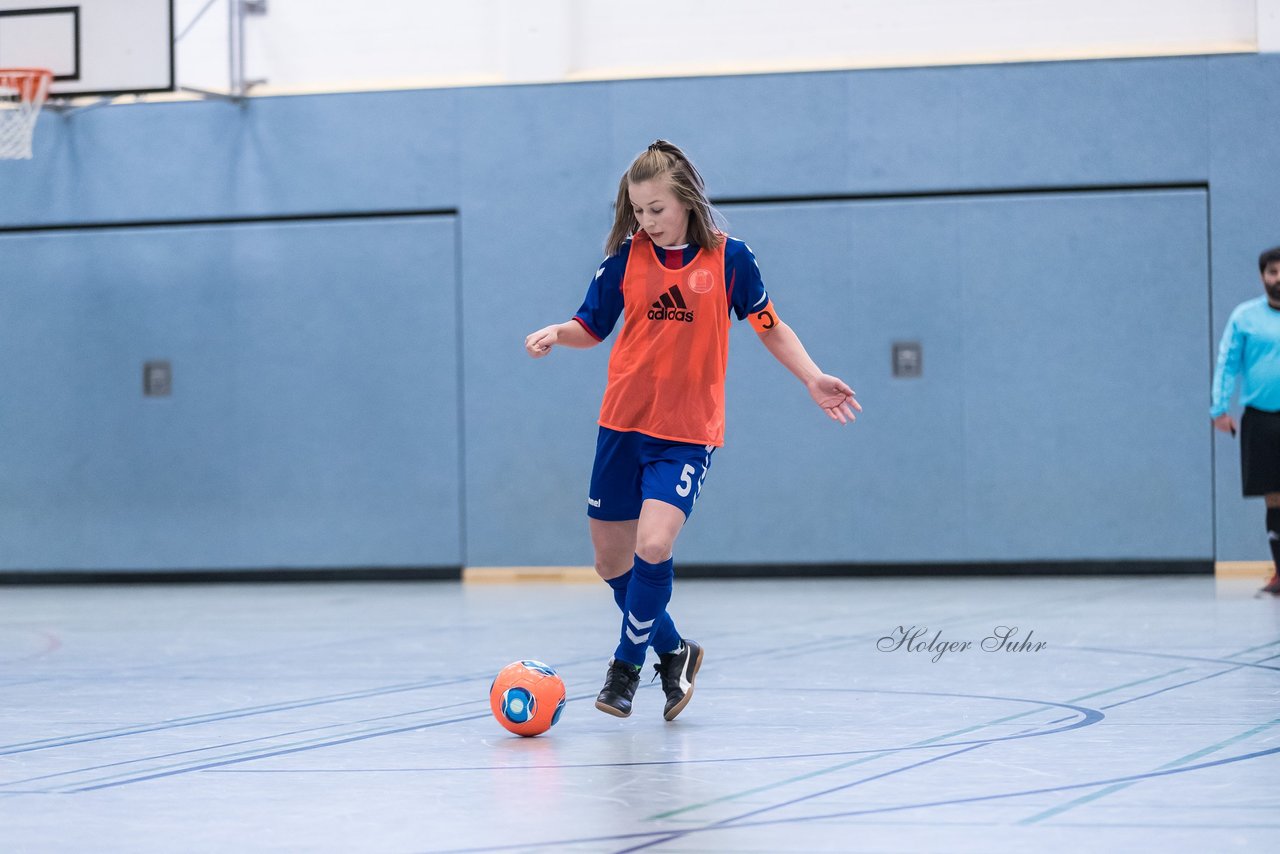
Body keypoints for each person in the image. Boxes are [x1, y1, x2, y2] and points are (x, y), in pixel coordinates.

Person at [524, 140, 861, 720]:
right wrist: (559, 330)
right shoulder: (624, 261)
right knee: (611, 563)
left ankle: (626, 667)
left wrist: (811, 376)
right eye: (636, 210)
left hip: (685, 431)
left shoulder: (731, 260)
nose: (646, 221)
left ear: (685, 201)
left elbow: (770, 327)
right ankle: (675, 651)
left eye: (656, 209)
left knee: (653, 545)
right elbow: (591, 325)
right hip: (621, 426)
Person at [1211, 245, 1280, 595]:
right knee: (1274, 497)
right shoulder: (1245, 317)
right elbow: (1227, 364)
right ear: (1262, 276)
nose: (1279, 279)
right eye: (1273, 272)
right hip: (1262, 420)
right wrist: (1218, 408)